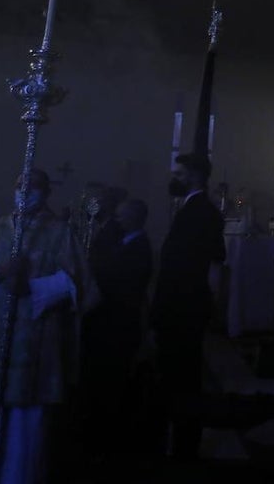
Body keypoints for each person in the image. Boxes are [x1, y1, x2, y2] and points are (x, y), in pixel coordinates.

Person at [0, 168, 95, 484]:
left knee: (22, 432)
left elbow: (79, 285)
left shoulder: (60, 234)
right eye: (20, 185)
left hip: (32, 350)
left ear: (46, 193)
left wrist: (34, 289)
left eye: (34, 186)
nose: (25, 191)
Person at [148, 152, 226, 461]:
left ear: (194, 175)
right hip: (183, 305)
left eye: (179, 174)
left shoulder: (200, 212)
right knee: (180, 376)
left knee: (183, 378)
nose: (174, 179)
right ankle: (180, 439)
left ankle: (183, 444)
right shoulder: (193, 209)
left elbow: (203, 264)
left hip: (183, 307)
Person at [78, 197, 153, 464]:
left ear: (134, 217)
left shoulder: (139, 248)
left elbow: (120, 282)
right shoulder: (123, 243)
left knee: (112, 384)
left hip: (118, 326)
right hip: (109, 324)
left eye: (121, 216)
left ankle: (110, 442)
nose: (116, 220)